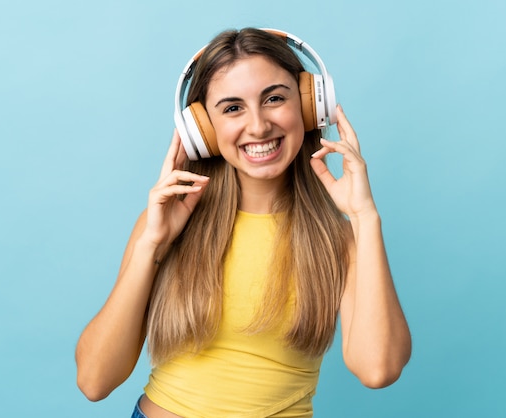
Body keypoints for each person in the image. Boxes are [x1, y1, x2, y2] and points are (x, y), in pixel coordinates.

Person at [75, 27, 411, 418]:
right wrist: (151, 245)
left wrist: (364, 219)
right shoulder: (163, 224)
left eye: (274, 99)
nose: (258, 126)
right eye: (232, 108)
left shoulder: (339, 239)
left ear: (308, 107)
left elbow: (378, 369)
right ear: (203, 130)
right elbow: (94, 380)